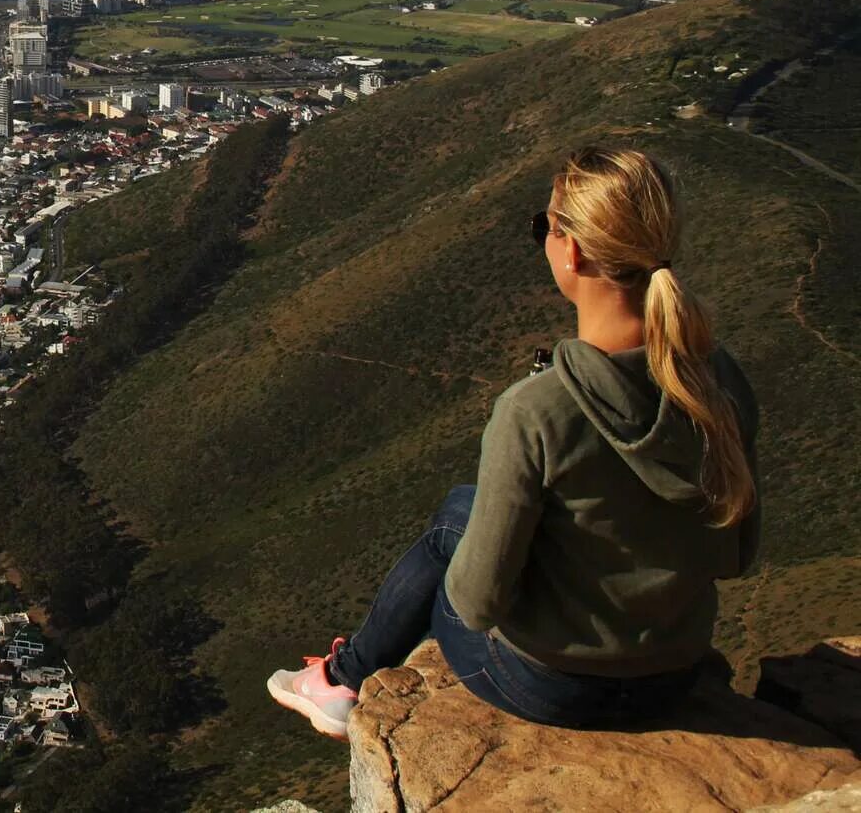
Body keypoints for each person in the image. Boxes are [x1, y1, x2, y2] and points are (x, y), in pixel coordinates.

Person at [268, 145, 760, 738]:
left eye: (543, 227)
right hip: (672, 674)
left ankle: (343, 681)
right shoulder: (719, 379)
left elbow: (476, 605)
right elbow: (737, 555)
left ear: (570, 250)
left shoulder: (536, 410)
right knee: (462, 508)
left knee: (455, 525)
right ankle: (341, 679)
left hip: (552, 686)